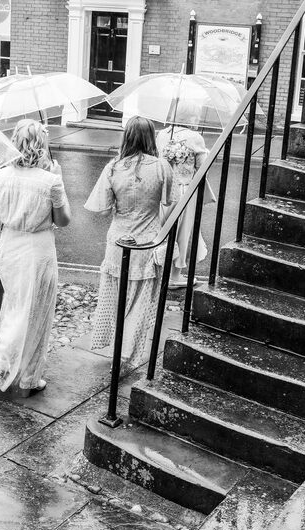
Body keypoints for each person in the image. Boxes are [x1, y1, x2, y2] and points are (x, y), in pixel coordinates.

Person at [0, 119, 71, 396]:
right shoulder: (51, 180)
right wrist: (59, 183)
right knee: (37, 313)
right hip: (38, 251)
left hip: (10, 248)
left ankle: (2, 363)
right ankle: (29, 378)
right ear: (41, 146)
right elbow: (64, 220)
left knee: (15, 307)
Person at [85, 116, 175, 366]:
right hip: (148, 242)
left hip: (118, 242)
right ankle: (129, 353)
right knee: (141, 302)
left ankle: (114, 347)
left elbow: (102, 209)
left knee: (115, 299)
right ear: (151, 137)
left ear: (127, 137)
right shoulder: (161, 166)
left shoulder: (113, 167)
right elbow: (170, 201)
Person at [156, 110, 216, 287]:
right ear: (187, 116)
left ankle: (158, 271)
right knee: (183, 233)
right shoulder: (195, 137)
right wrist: (207, 152)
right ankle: (175, 276)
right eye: (195, 114)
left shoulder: (163, 134)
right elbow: (203, 168)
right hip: (184, 191)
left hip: (162, 189)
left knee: (162, 231)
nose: (197, 118)